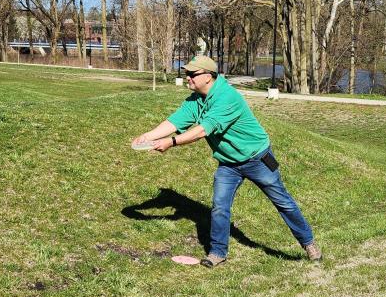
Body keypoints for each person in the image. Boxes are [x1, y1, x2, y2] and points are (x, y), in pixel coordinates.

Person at [133, 55, 321, 268]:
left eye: (192, 74)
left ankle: (308, 243)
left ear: (208, 76)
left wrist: (172, 142)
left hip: (257, 158)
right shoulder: (196, 100)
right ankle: (217, 253)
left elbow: (204, 129)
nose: (187, 78)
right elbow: (175, 121)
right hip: (228, 164)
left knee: (283, 202)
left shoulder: (227, 97)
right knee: (220, 207)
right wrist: (148, 136)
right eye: (186, 74)